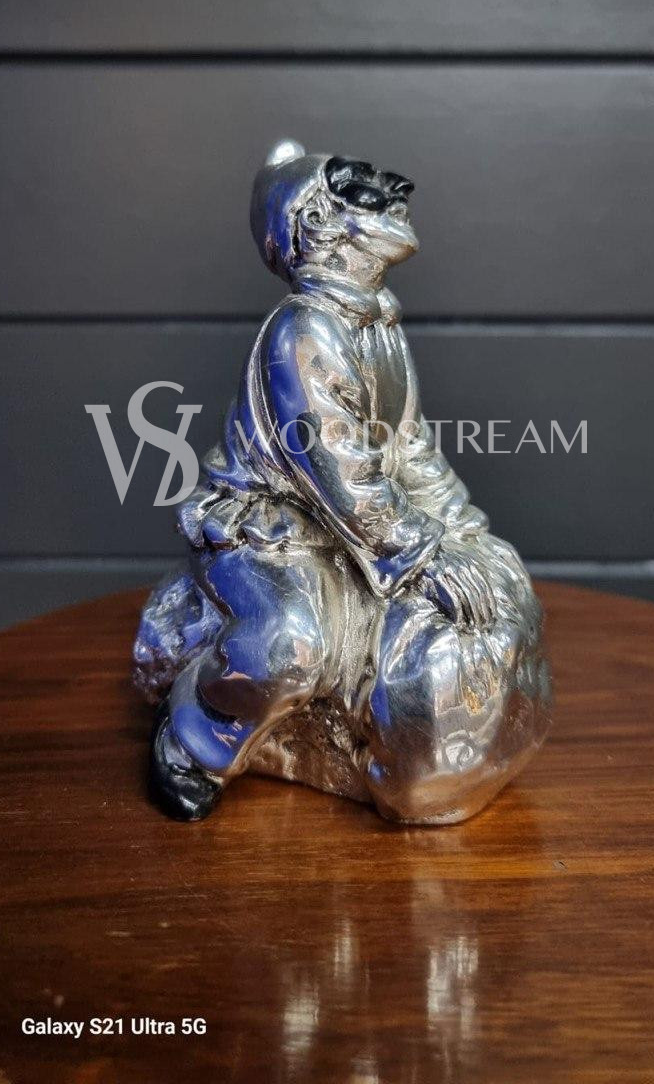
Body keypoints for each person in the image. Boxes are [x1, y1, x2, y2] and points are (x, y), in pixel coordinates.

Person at [134, 141, 550, 822]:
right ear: (315, 226)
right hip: (272, 530)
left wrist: (462, 533)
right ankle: (192, 738)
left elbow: (409, 451)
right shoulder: (303, 332)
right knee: (291, 644)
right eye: (362, 188)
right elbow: (342, 475)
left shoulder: (378, 326)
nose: (396, 190)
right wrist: (423, 556)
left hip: (352, 528)